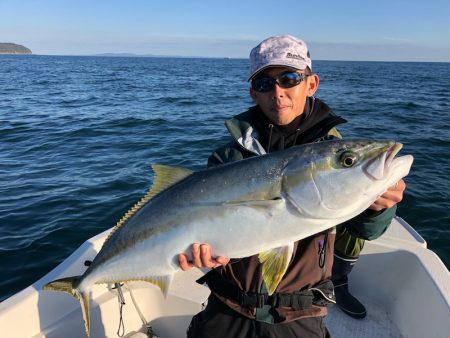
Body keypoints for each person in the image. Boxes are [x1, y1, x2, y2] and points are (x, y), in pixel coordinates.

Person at [179, 35, 406, 337]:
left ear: (310, 84)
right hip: (227, 303)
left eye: (289, 78)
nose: (278, 92)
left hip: (300, 311)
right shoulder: (230, 155)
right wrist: (202, 252)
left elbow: (367, 230)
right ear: (252, 93)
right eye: (264, 83)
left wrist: (379, 207)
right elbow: (206, 224)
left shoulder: (332, 151)